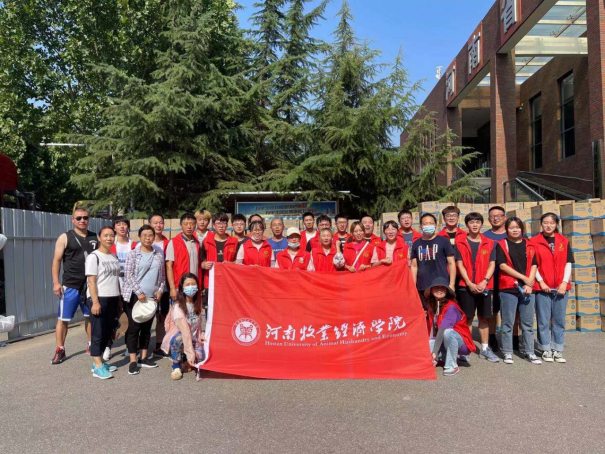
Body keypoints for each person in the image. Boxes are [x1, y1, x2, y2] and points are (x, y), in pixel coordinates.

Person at [51, 207, 97, 365]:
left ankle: (91, 344)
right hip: (70, 284)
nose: (82, 220)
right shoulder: (65, 237)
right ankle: (60, 349)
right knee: (63, 319)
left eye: (85, 217)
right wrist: (56, 283)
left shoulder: (95, 237)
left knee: (90, 316)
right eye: (79, 218)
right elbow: (56, 260)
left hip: (90, 285)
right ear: (73, 220)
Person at [496, 217, 541, 365]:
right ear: (506, 229)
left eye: (517, 227)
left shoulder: (529, 244)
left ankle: (529, 352)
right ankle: (507, 352)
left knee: (527, 323)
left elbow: (534, 264)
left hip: (528, 288)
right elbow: (502, 266)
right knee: (508, 323)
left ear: (522, 229)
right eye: (511, 227)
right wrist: (523, 278)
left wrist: (530, 282)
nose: (515, 230)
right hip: (509, 288)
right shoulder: (501, 244)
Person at [455, 212, 499, 363]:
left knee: (484, 318)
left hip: (485, 286)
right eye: (471, 222)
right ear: (467, 224)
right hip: (465, 286)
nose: (474, 225)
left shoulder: (490, 242)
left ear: (481, 224)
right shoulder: (460, 242)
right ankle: (466, 348)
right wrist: (469, 283)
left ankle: (485, 349)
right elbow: (459, 264)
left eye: (477, 222)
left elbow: (492, 264)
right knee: (467, 318)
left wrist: (485, 281)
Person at [121, 225, 165, 375]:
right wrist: (139, 292)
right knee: (134, 328)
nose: (148, 238)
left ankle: (144, 358)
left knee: (147, 328)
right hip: (135, 297)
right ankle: (133, 360)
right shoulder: (133, 254)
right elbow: (128, 276)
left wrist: (160, 290)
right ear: (139, 237)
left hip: (152, 298)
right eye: (144, 235)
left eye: (150, 235)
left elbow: (162, 277)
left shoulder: (158, 255)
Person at [531, 213, 573, 363]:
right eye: (545, 223)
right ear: (541, 224)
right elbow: (533, 265)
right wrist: (541, 282)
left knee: (559, 319)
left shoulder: (563, 241)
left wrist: (564, 282)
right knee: (543, 320)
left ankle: (557, 349)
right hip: (542, 287)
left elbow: (568, 263)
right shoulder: (534, 241)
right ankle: (545, 348)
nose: (548, 226)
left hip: (561, 287)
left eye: (552, 223)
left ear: (556, 224)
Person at [85, 226, 121, 379]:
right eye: (105, 235)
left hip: (113, 298)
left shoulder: (113, 256)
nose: (109, 238)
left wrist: (119, 300)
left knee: (107, 332)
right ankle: (97, 366)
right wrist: (95, 302)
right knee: (98, 332)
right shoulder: (94, 256)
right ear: (99, 238)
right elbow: (91, 281)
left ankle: (100, 362)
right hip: (99, 298)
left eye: (111, 235)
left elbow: (115, 280)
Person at [426, 277, 476, 376]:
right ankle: (441, 358)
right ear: (431, 290)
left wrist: (434, 352)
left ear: (447, 291)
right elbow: (432, 331)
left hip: (462, 344)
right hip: (444, 341)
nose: (439, 289)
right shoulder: (432, 306)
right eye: (436, 287)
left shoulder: (451, 307)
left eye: (442, 288)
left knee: (447, 332)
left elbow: (442, 330)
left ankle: (452, 365)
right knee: (429, 341)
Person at [161, 274, 205, 381]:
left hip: (193, 338)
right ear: (182, 288)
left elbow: (198, 325)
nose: (191, 287)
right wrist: (191, 354)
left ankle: (186, 361)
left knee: (201, 356)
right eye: (187, 284)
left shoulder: (198, 303)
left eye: (193, 284)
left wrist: (201, 336)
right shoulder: (178, 307)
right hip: (182, 337)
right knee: (179, 339)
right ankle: (176, 365)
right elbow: (185, 332)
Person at [410, 213, 456, 310]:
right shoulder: (416, 243)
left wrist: (451, 284)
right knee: (426, 314)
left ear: (436, 225)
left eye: (431, 223)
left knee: (442, 313)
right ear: (421, 226)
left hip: (441, 285)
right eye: (425, 224)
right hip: (423, 285)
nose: (428, 226)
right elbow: (414, 266)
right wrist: (413, 285)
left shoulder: (444, 241)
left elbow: (451, 263)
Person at [109, 216, 136, 359]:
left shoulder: (135, 245)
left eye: (124, 224)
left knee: (131, 319)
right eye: (118, 224)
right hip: (113, 287)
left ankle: (129, 347)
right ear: (114, 228)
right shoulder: (109, 245)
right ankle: (107, 346)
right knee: (111, 319)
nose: (122, 227)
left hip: (131, 288)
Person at [483, 205, 508, 352]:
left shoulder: (512, 233)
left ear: (505, 217)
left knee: (511, 311)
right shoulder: (484, 236)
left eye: (499, 215)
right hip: (492, 281)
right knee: (493, 311)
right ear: (488, 219)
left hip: (510, 281)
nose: (496, 218)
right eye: (492, 216)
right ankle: (492, 337)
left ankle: (512, 338)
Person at [147, 213, 171, 358]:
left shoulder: (169, 243)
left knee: (162, 316)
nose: (158, 225)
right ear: (150, 224)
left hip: (164, 287)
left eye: (161, 222)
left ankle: (159, 344)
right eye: (155, 222)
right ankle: (141, 347)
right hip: (147, 288)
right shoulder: (142, 243)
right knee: (146, 316)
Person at [166, 213, 200, 302]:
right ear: (181, 225)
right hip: (180, 286)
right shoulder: (173, 242)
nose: (189, 227)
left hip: (194, 286)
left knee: (193, 310)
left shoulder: (197, 243)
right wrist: (172, 288)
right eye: (186, 224)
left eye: (192, 224)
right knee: (180, 310)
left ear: (195, 225)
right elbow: (169, 266)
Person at [200, 212, 238, 289]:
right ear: (213, 226)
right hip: (211, 281)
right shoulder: (206, 242)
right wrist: (203, 264)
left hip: (228, 281)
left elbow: (239, 261)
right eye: (218, 223)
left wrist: (231, 264)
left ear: (227, 225)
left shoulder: (234, 242)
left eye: (224, 223)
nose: (221, 226)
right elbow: (201, 260)